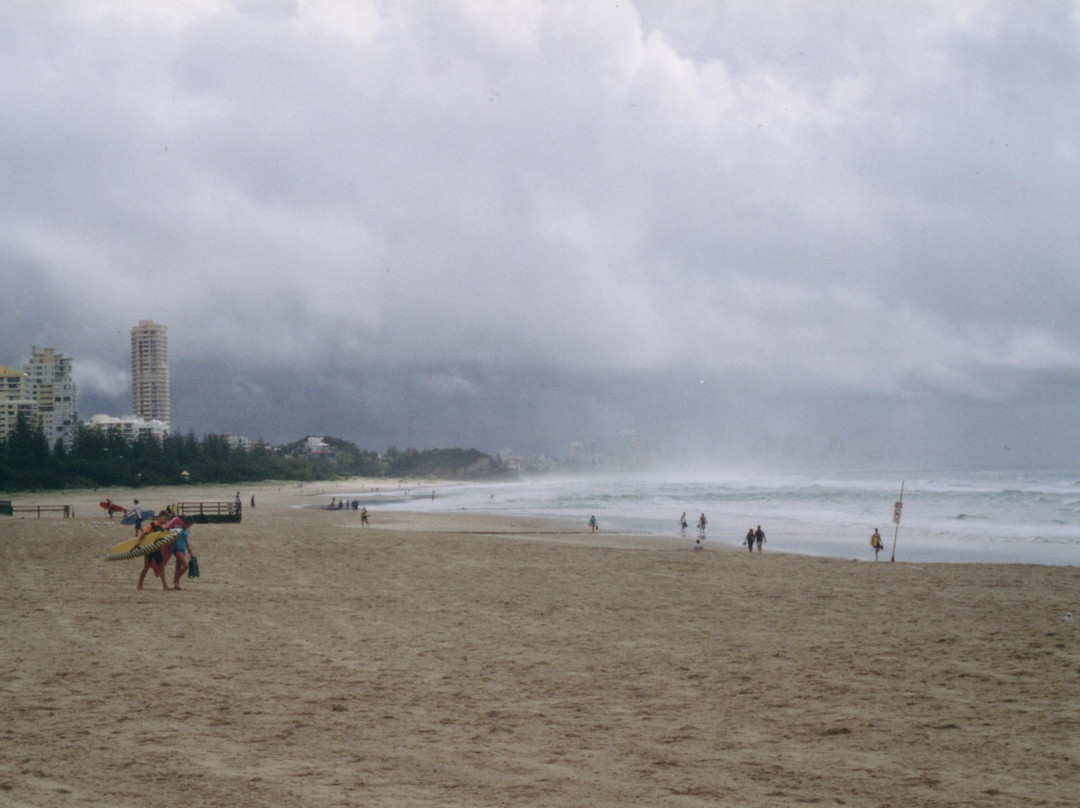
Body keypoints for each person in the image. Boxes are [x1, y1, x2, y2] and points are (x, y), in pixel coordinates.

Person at [170, 518, 195, 590]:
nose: (188, 527)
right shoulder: (177, 527)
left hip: (183, 548)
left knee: (178, 567)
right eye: (188, 525)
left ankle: (176, 583)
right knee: (186, 565)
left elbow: (186, 541)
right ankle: (176, 580)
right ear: (184, 522)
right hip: (176, 548)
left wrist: (190, 551)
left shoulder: (187, 530)